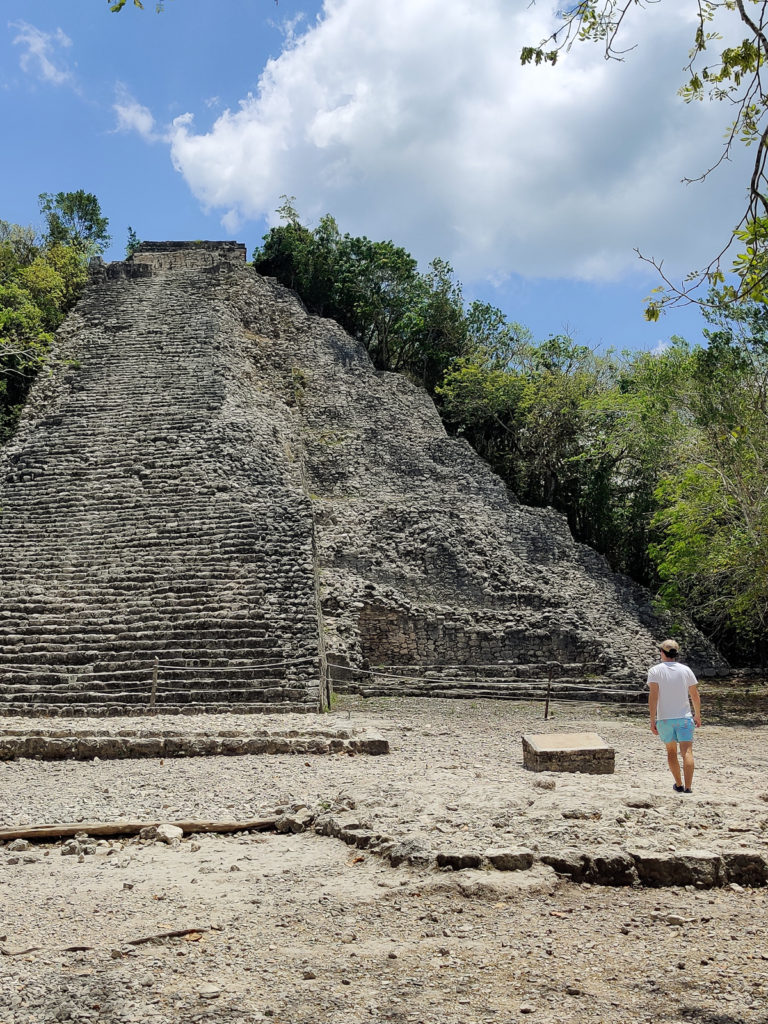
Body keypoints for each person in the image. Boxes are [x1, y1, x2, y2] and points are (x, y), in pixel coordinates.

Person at [647, 639, 701, 793]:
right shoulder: (686, 670)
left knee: (671, 752)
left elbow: (654, 696)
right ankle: (689, 787)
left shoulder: (655, 671)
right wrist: (697, 714)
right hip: (684, 717)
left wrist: (652, 719)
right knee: (687, 752)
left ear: (662, 652)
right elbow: (695, 695)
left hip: (665, 718)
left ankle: (678, 784)